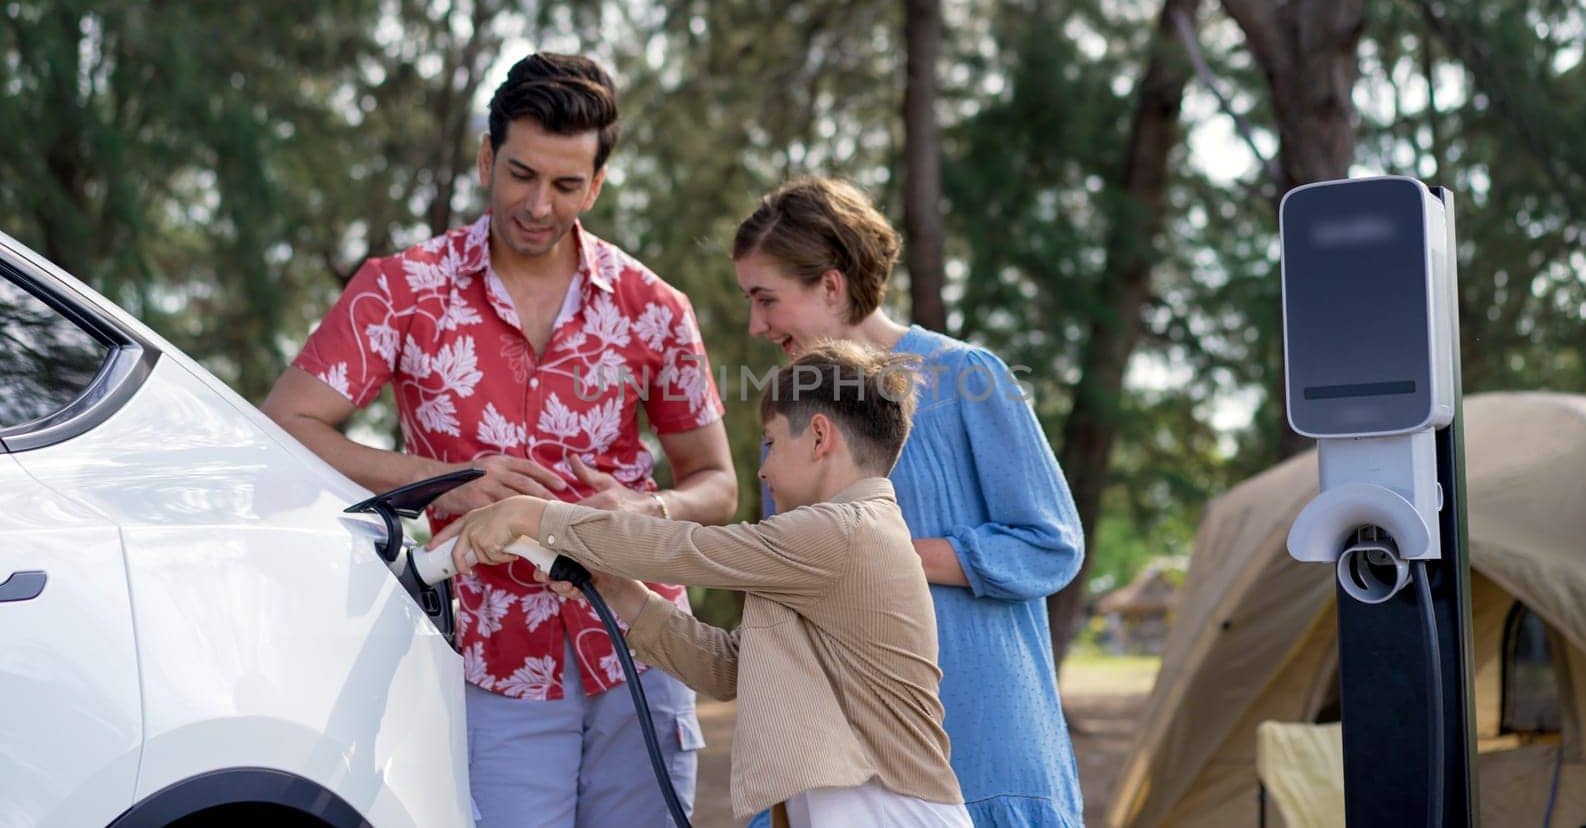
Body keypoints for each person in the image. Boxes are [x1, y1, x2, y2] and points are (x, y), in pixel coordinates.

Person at [261, 51, 738, 828]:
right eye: (521, 174)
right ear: (487, 157)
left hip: (645, 650)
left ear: (599, 183)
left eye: (566, 185)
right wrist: (442, 480)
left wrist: (650, 512)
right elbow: (286, 424)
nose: (539, 205)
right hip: (490, 665)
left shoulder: (656, 308)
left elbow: (718, 482)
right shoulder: (400, 288)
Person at [451, 341, 974, 828]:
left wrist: (534, 515)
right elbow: (729, 670)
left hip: (891, 812)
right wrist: (619, 589)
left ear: (819, 436)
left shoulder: (843, 531)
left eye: (770, 443)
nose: (763, 470)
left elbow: (686, 549)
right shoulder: (821, 549)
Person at [730, 177, 1086, 827]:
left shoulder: (968, 378)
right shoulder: (788, 414)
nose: (756, 325)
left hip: (981, 745)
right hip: (846, 771)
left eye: (767, 300)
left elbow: (1050, 544)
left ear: (831, 287)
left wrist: (885, 557)